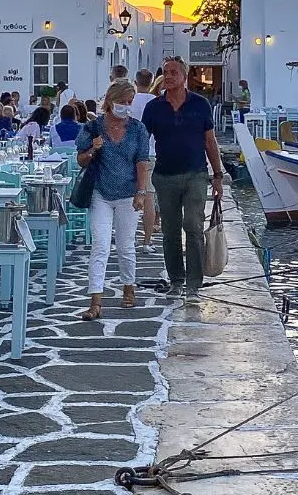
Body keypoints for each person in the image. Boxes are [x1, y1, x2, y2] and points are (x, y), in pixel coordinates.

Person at [143, 57, 225, 300]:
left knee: (193, 225)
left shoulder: (200, 104)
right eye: (165, 72)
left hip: (196, 175)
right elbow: (140, 139)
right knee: (169, 231)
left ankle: (193, 284)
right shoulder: (154, 107)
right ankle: (176, 280)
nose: (168, 76)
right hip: (165, 176)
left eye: (173, 72)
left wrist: (217, 175)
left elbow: (210, 141)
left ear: (184, 76)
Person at [75, 79, 150, 320]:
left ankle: (129, 287)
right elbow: (81, 160)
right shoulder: (93, 128)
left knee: (126, 246)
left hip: (128, 194)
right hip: (101, 193)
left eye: (129, 102)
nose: (126, 107)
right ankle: (95, 300)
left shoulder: (138, 129)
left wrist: (141, 192)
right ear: (110, 101)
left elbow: (141, 162)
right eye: (122, 102)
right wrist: (92, 150)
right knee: (100, 245)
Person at [129, 69, 158, 245]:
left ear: (136, 81)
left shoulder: (129, 101)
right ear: (152, 81)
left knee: (127, 197)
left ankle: (128, 237)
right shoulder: (157, 102)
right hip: (152, 152)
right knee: (149, 198)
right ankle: (147, 240)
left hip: (130, 152)